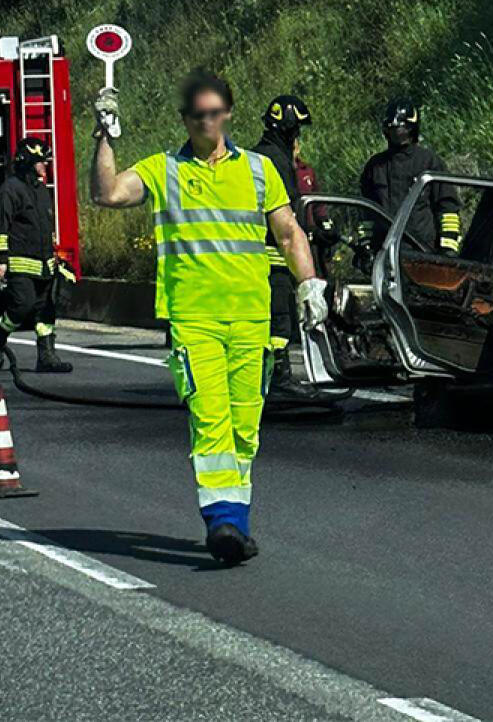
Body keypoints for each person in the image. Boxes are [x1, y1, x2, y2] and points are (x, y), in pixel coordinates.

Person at [89, 71, 327, 566]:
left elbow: (288, 233)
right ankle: (223, 522)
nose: (207, 120)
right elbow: (107, 193)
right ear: (186, 119)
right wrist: (104, 137)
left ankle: (235, 522)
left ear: (228, 115)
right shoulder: (164, 170)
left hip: (250, 321)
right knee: (212, 421)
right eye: (198, 113)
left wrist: (309, 285)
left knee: (246, 427)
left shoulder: (260, 170)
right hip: (193, 318)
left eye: (215, 111)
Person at [251, 95, 322, 402]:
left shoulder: (255, 156)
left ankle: (262, 378)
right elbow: (285, 217)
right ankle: (279, 378)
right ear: (289, 128)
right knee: (279, 322)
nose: (298, 137)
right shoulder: (276, 162)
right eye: (297, 130)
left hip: (252, 258)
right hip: (273, 258)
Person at [0, 137, 74, 374]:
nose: (45, 166)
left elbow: (44, 227)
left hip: (45, 264)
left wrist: (59, 261)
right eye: (41, 162)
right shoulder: (10, 190)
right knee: (21, 307)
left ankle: (46, 356)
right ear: (28, 162)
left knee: (46, 311)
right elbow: (0, 226)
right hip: (21, 263)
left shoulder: (40, 190)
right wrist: (1, 260)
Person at [358, 98, 462, 254]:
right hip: (385, 252)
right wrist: (366, 246)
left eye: (403, 128)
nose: (398, 132)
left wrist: (448, 247)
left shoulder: (429, 162)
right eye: (392, 128)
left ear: (413, 129)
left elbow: (447, 207)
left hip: (423, 251)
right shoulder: (375, 166)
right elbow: (365, 213)